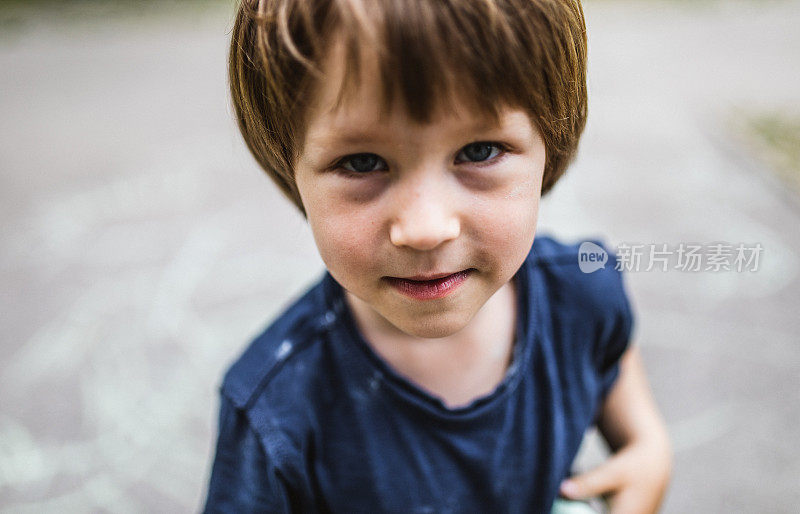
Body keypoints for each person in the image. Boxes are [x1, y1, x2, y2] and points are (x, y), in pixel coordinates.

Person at [203, 0, 672, 512]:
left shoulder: (583, 295)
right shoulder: (277, 411)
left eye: (478, 151)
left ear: (550, 149)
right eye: (363, 162)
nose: (425, 229)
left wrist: (648, 461)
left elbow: (642, 436)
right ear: (289, 169)